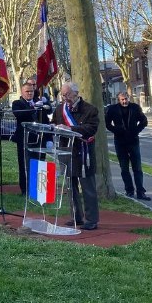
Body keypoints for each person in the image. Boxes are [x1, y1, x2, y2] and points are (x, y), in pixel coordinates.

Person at [52, 82, 100, 230]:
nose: (65, 98)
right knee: (70, 188)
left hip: (83, 153)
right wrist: (54, 127)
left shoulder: (90, 109)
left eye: (67, 95)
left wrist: (70, 128)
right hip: (66, 152)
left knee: (88, 188)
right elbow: (53, 122)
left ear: (76, 93)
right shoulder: (60, 109)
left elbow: (91, 129)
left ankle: (91, 220)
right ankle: (76, 216)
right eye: (63, 95)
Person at [105, 91, 149, 200]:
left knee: (137, 168)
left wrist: (136, 130)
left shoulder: (135, 108)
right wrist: (116, 130)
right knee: (124, 168)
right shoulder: (113, 109)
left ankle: (140, 191)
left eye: (126, 99)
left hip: (133, 140)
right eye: (122, 99)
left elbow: (144, 121)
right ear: (118, 100)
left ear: (128, 98)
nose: (124, 101)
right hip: (120, 141)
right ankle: (129, 190)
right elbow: (107, 124)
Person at [11, 82, 50, 195]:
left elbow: (46, 120)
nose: (29, 93)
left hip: (40, 139)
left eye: (31, 91)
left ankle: (40, 190)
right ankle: (26, 189)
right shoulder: (17, 103)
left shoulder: (39, 103)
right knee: (25, 165)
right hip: (25, 139)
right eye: (27, 91)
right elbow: (19, 115)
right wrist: (33, 107)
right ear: (22, 92)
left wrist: (49, 139)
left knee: (40, 162)